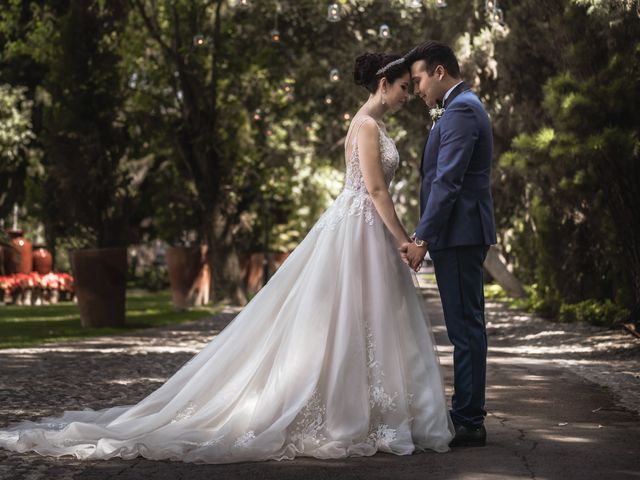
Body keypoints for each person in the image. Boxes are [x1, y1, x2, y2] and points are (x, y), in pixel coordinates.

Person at [0, 53, 454, 464]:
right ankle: (354, 412)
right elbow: (374, 190)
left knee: (358, 321)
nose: (407, 96)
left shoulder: (359, 125)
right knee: (358, 319)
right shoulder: (369, 127)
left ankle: (364, 407)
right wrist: (403, 241)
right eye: (401, 88)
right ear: (382, 83)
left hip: (356, 228)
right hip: (362, 230)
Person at [400, 41, 497, 448]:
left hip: (459, 234)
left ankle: (469, 419)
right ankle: (468, 413)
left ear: (439, 72)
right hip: (460, 234)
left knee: (465, 328)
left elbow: (448, 182)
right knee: (466, 325)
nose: (417, 89)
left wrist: (422, 237)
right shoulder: (461, 106)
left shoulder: (460, 110)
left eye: (419, 79)